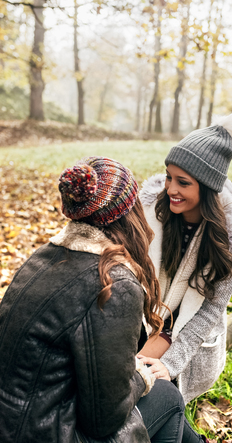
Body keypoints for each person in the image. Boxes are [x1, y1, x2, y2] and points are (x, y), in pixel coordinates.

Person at [0, 156, 199, 443]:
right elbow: (104, 420)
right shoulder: (113, 283)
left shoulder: (41, 259)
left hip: (16, 423)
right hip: (47, 432)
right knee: (166, 394)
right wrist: (141, 376)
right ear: (130, 212)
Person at [138, 113, 232, 405]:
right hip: (147, 312)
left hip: (187, 328)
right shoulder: (152, 213)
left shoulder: (231, 236)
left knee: (140, 376)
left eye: (183, 182)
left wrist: (171, 362)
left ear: (207, 186)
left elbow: (212, 308)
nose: (170, 189)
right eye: (168, 177)